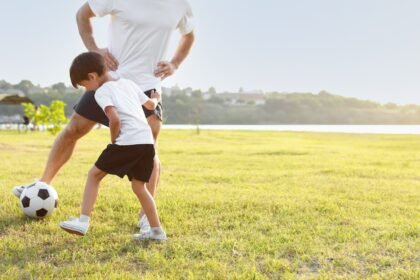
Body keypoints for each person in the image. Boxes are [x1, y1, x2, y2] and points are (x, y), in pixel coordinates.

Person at [12, 0, 195, 234]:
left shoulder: (180, 4)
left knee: (150, 149)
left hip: (146, 86)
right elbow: (82, 15)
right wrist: (94, 49)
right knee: (73, 130)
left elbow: (189, 36)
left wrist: (175, 64)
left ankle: (146, 218)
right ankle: (42, 185)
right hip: (108, 81)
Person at [59, 52, 165, 240]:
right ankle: (157, 231)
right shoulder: (128, 84)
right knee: (140, 187)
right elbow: (150, 105)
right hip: (146, 142)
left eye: (85, 85)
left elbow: (114, 118)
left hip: (127, 141)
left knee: (94, 175)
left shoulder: (102, 92)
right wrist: (157, 97)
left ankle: (83, 222)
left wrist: (114, 140)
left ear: (92, 77)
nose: (87, 90)